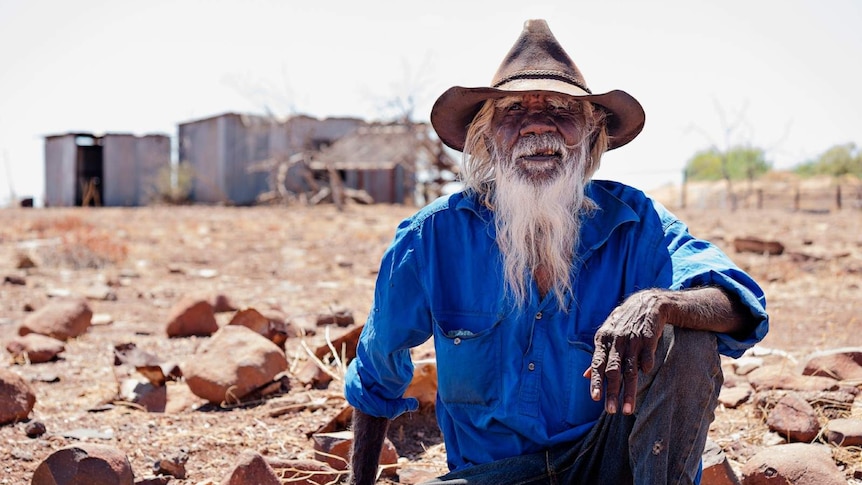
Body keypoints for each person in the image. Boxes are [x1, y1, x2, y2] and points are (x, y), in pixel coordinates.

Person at [344, 19, 768, 485]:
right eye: (513, 111)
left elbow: (737, 304)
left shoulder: (634, 222)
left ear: (590, 134)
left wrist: (658, 303)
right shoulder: (433, 237)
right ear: (486, 137)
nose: (537, 124)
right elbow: (376, 374)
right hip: (493, 474)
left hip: (610, 464)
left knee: (687, 335)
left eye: (562, 109)